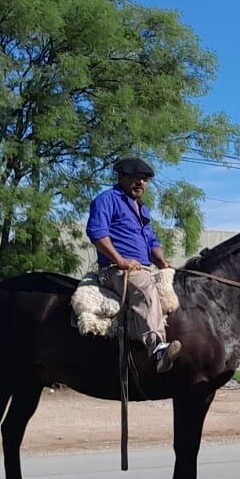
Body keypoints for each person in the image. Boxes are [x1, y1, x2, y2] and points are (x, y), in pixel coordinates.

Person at [86, 157, 181, 373]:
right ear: (121, 177)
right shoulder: (106, 200)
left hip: (143, 268)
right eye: (135, 178)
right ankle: (157, 349)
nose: (141, 183)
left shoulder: (142, 210)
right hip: (116, 270)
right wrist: (120, 260)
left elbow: (152, 242)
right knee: (145, 288)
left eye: (145, 179)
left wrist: (162, 262)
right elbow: (97, 233)